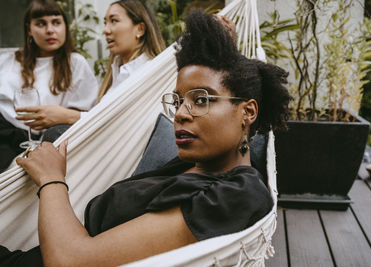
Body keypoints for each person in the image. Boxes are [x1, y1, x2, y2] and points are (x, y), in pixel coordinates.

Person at [0, 10, 290, 266]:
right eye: (177, 101)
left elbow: (70, 261)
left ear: (248, 112)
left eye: (201, 100)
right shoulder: (197, 165)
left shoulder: (236, 194)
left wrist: (52, 180)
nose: (181, 114)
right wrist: (221, 47)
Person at [42, 0, 166, 143]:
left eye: (114, 21)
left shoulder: (147, 73)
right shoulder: (117, 71)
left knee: (55, 134)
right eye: (105, 22)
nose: (106, 30)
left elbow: (122, 125)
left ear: (140, 29)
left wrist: (69, 116)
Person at [0, 0, 98, 172]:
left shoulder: (75, 63)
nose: (50, 30)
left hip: (50, 136)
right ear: (29, 29)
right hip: (5, 132)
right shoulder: (9, 60)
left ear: (65, 27)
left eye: (56, 22)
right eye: (41, 24)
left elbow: (86, 114)